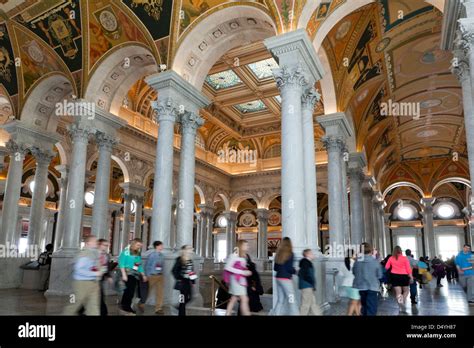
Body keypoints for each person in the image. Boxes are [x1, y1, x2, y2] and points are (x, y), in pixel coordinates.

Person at [64, 236, 103, 315]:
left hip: (93, 283)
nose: (96, 243)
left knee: (93, 307)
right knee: (73, 305)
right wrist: (95, 273)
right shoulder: (84, 254)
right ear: (88, 243)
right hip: (81, 284)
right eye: (95, 241)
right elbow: (79, 269)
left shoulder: (93, 253)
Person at [118, 238, 147, 315]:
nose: (139, 247)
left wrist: (143, 274)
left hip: (135, 274)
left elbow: (138, 265)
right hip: (127, 273)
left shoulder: (138, 252)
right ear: (133, 243)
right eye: (138, 245)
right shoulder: (126, 252)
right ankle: (125, 306)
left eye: (140, 246)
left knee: (131, 291)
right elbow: (121, 263)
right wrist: (124, 274)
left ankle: (125, 305)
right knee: (129, 291)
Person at [352, 243, 382, 316]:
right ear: (371, 250)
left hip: (361, 286)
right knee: (372, 308)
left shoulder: (357, 261)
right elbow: (380, 275)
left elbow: (354, 272)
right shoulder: (375, 262)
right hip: (372, 287)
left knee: (364, 306)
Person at [224, 240, 252, 316]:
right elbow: (227, 267)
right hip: (236, 280)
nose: (247, 247)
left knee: (234, 299)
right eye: (246, 245)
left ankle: (227, 314)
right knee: (244, 299)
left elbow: (240, 267)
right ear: (241, 246)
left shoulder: (243, 255)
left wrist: (245, 271)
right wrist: (242, 272)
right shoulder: (234, 255)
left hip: (240, 280)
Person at [273, 237, 298, 315]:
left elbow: (275, 268)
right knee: (292, 299)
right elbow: (289, 268)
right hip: (286, 279)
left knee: (280, 300)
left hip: (278, 278)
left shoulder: (278, 254)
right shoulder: (290, 254)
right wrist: (296, 271)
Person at [172, 245, 197, 316]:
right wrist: (179, 278)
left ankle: (179, 307)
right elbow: (174, 271)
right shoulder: (179, 259)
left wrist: (193, 281)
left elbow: (191, 272)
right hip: (182, 282)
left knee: (191, 297)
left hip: (188, 281)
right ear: (185, 250)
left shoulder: (190, 260)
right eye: (190, 249)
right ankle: (181, 313)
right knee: (182, 298)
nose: (192, 250)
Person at [143, 241, 165, 314]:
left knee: (160, 292)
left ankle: (158, 308)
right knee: (147, 291)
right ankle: (142, 303)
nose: (162, 247)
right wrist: (147, 275)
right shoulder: (152, 255)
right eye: (161, 245)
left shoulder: (162, 255)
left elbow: (161, 266)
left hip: (160, 275)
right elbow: (147, 266)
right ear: (157, 246)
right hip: (152, 275)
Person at [298, 249, 321, 315]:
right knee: (305, 305)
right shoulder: (305, 262)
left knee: (313, 304)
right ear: (307, 254)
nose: (313, 255)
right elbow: (304, 274)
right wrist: (311, 282)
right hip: (307, 286)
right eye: (311, 253)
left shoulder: (306, 262)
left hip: (308, 285)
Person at [340, 249, 360, 315]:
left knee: (353, 301)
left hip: (346, 284)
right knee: (354, 302)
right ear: (351, 255)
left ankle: (357, 314)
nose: (355, 255)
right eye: (354, 254)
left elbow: (341, 274)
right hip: (354, 284)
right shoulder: (355, 263)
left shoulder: (343, 263)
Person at [97, 239, 113, 316]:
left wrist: (108, 276)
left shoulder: (106, 255)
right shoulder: (94, 254)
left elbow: (106, 267)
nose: (106, 247)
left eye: (107, 245)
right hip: (92, 279)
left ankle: (103, 312)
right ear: (99, 245)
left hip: (100, 279)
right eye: (105, 245)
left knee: (101, 296)